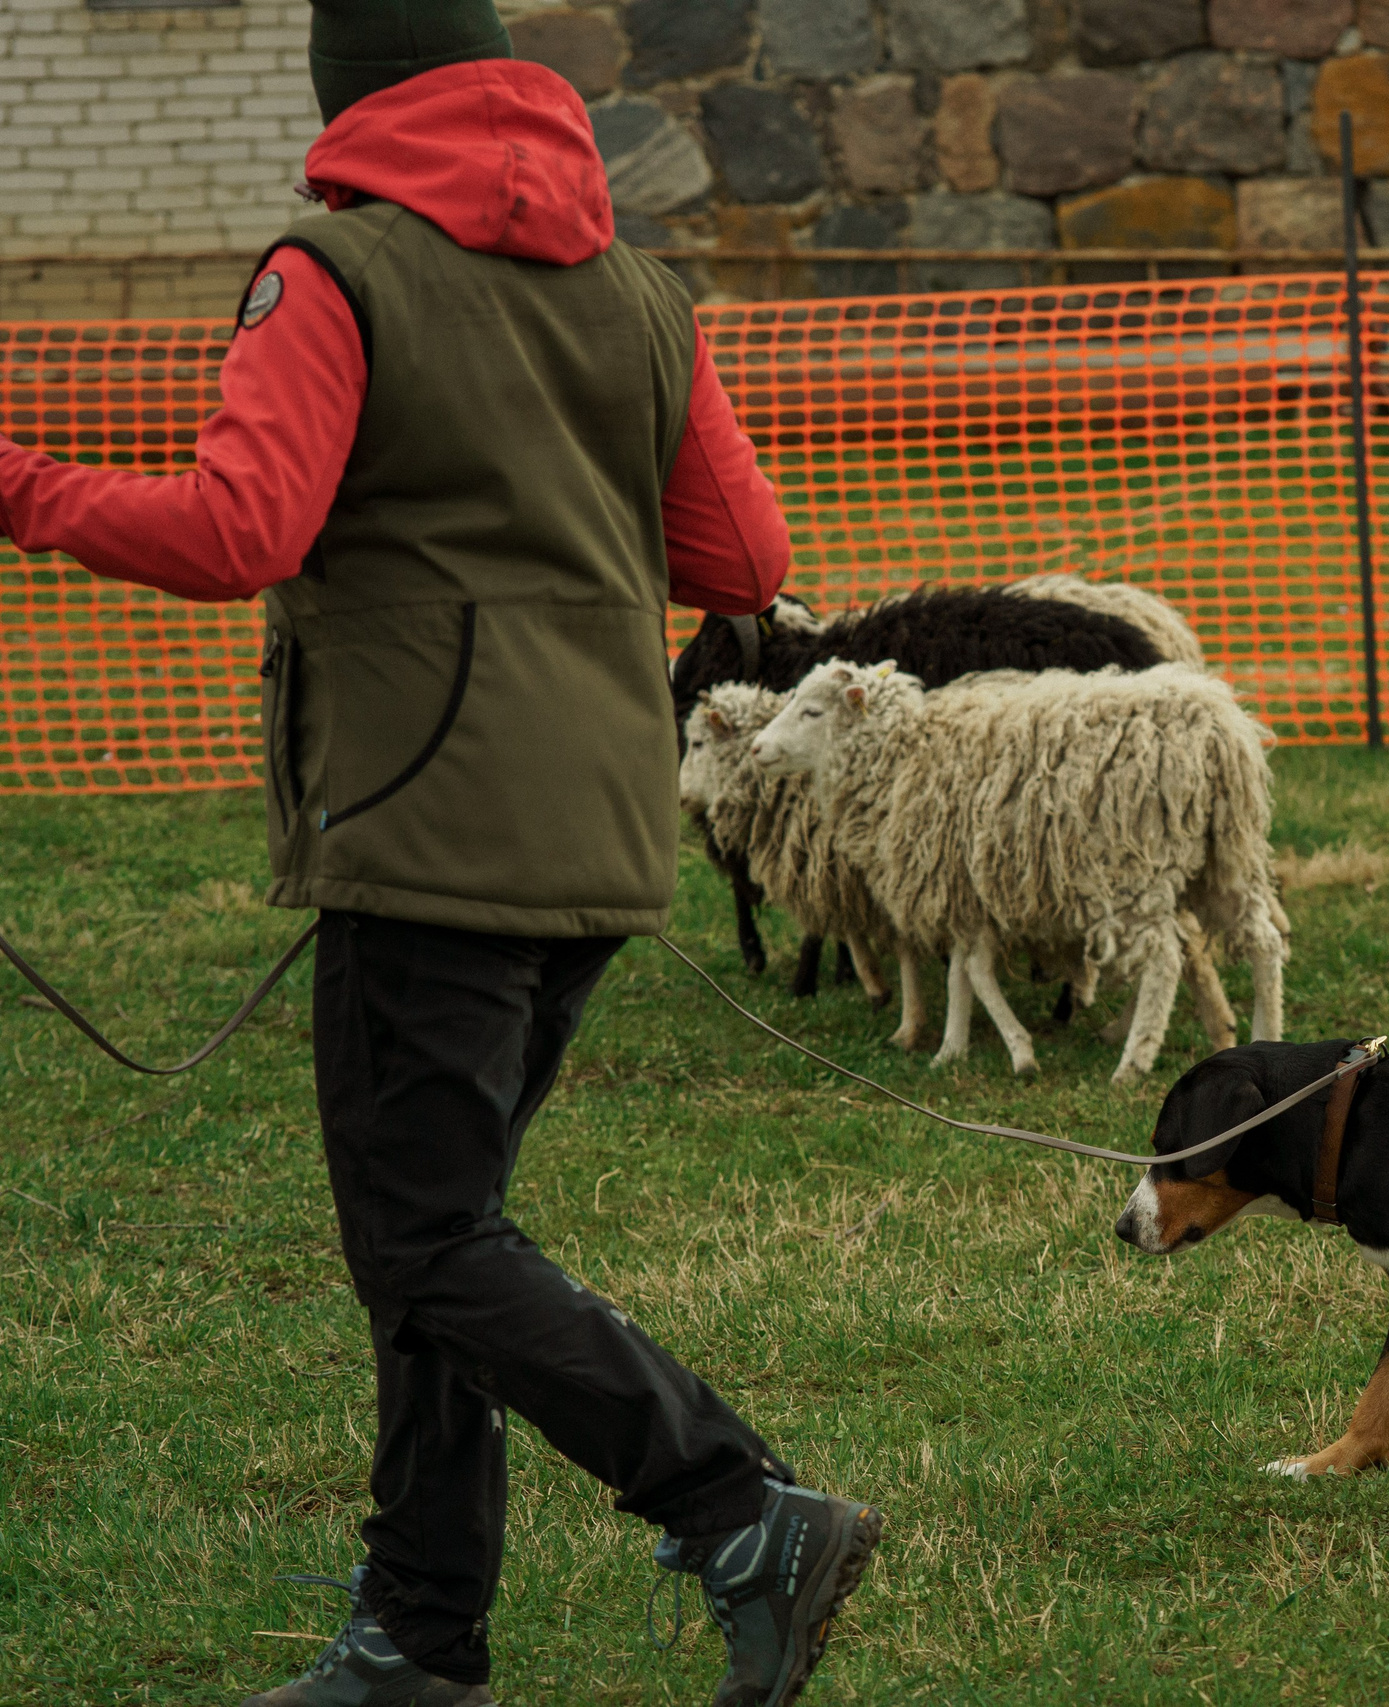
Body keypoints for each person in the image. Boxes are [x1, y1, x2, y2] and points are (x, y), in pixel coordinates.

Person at [0, 6, 882, 1704]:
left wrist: (23, 486)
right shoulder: (639, 288)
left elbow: (239, 530)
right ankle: (419, 1638)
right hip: (600, 822)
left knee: (422, 1248)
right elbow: (744, 555)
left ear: (349, 99)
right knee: (447, 1241)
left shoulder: (332, 272)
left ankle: (738, 1507)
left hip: (426, 826)